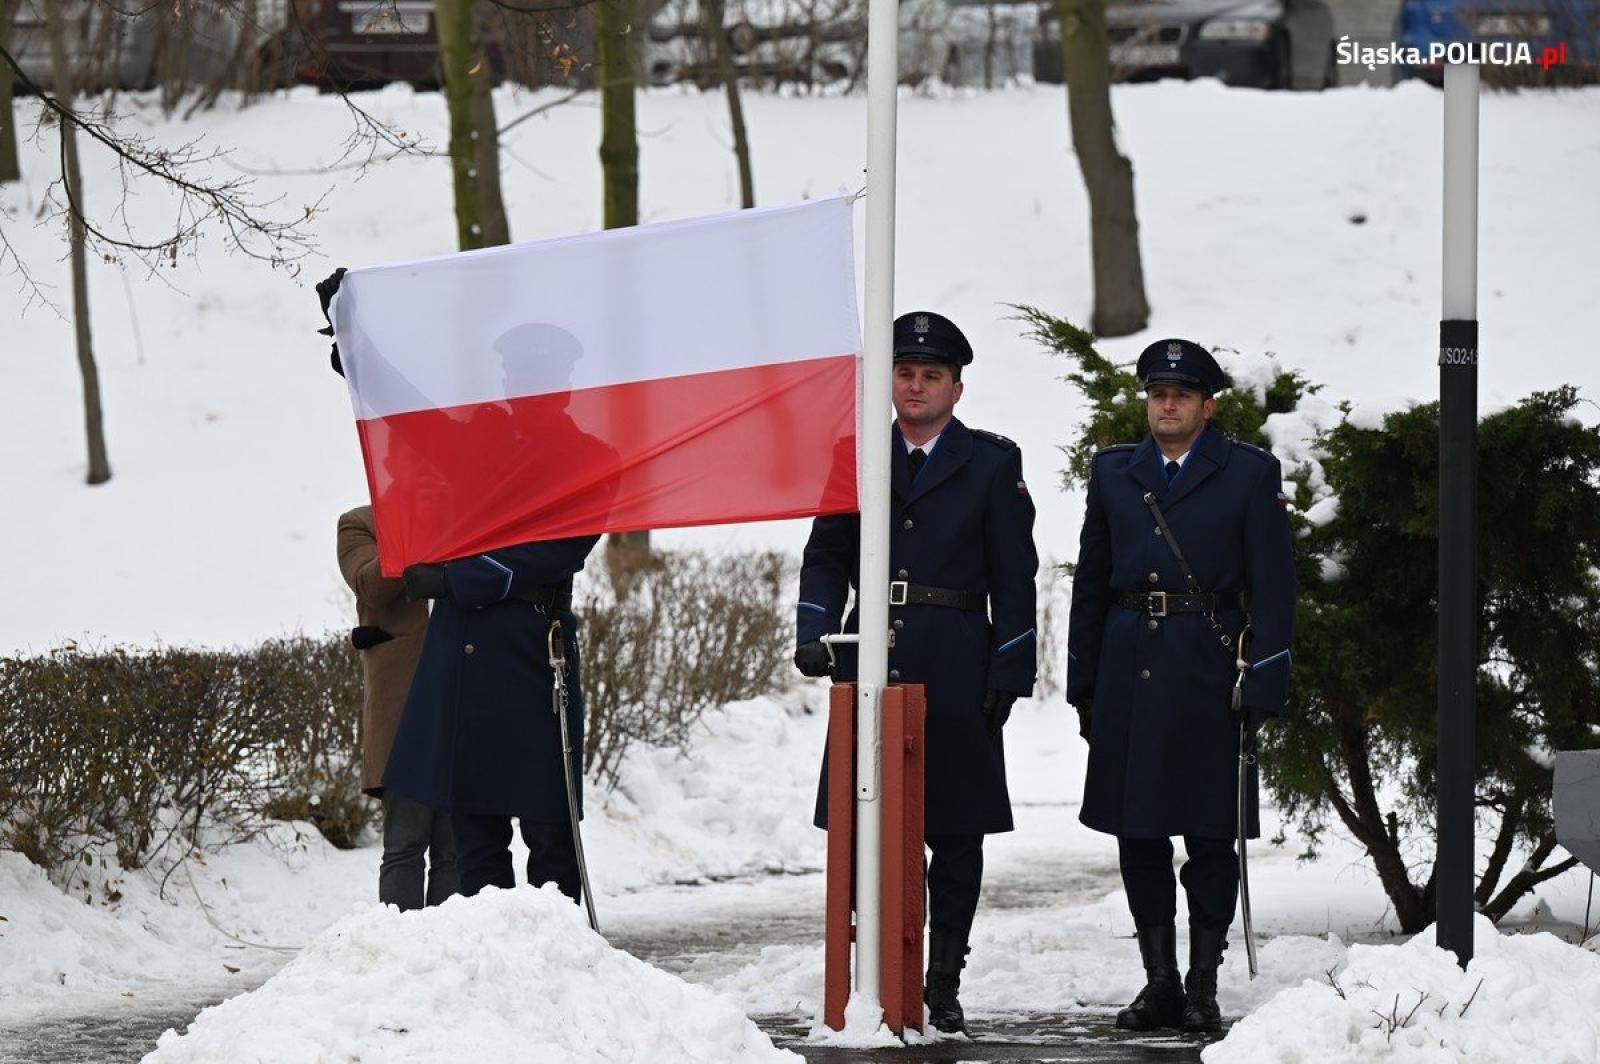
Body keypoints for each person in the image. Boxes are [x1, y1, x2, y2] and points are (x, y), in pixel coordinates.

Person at [794, 310, 1038, 1034]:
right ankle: (873, 968)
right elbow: (828, 553)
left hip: (958, 659)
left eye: (932, 376)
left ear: (957, 388)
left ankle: (944, 978)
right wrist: (815, 630)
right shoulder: (857, 453)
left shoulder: (992, 462)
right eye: (905, 373)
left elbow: (1015, 575)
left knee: (957, 833)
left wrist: (1011, 665)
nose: (916, 386)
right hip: (874, 657)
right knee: (863, 824)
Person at [1065, 338, 1295, 1034]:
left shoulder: (1249, 474)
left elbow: (1276, 590)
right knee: (1137, 836)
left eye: (1183, 394)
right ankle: (1159, 981)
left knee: (1210, 835)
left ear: (1207, 404)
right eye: (1158, 393)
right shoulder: (1115, 472)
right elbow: (1091, 584)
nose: (1168, 404)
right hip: (1129, 667)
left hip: (1208, 667)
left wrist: (1264, 682)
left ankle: (1202, 984)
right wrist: (1083, 684)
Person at [383, 534, 602, 901]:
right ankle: (490, 948)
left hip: (532, 650)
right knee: (475, 830)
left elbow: (563, 546)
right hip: (464, 651)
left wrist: (459, 579)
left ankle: (552, 953)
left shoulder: (561, 478)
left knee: (549, 827)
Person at [337, 505, 458, 910]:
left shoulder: (457, 516)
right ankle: (402, 953)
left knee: (455, 849)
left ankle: (448, 951)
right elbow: (370, 584)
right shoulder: (359, 524)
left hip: (460, 698)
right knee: (406, 843)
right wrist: (411, 529)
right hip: (402, 709)